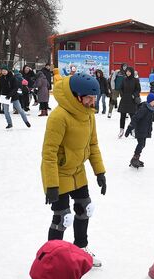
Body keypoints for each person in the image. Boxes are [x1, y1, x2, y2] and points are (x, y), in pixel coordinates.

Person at [41, 74, 106, 267]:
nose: (92, 102)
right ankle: (50, 259)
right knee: (63, 218)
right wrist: (51, 185)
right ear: (77, 96)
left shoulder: (89, 115)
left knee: (85, 209)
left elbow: (93, 145)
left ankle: (80, 250)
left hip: (78, 171)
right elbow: (49, 153)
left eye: (94, 98)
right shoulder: (59, 116)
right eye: (88, 98)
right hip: (59, 173)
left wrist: (99, 172)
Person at [128, 93, 154, 168]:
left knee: (142, 145)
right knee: (141, 144)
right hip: (140, 129)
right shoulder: (143, 109)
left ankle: (136, 158)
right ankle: (134, 159)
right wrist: (130, 127)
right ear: (149, 101)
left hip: (145, 129)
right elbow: (135, 118)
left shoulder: (152, 109)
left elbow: (152, 118)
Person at [117, 66, 140, 138]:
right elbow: (120, 88)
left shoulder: (135, 80)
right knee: (122, 116)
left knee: (132, 117)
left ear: (132, 72)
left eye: (129, 71)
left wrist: (134, 95)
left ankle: (133, 130)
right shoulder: (124, 79)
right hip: (124, 99)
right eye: (127, 71)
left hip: (132, 100)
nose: (128, 73)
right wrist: (122, 95)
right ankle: (121, 130)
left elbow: (138, 89)